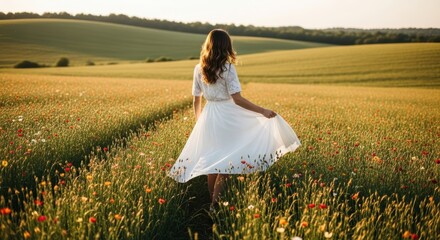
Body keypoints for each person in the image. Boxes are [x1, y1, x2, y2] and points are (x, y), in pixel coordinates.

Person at [168, 29, 301, 210]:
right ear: (226, 46)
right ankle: (215, 206)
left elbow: (196, 98)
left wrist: (199, 120)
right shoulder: (227, 68)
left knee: (213, 162)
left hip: (209, 115)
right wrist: (262, 111)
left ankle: (212, 203)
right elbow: (237, 99)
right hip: (228, 116)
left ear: (209, 44)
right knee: (226, 163)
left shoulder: (199, 68)